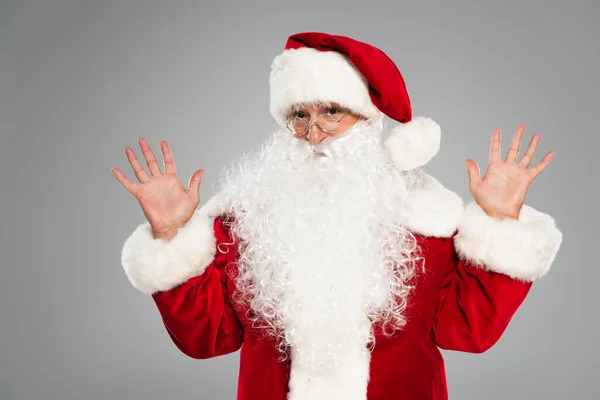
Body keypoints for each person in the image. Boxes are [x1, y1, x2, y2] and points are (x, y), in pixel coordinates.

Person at [112, 32, 563, 400]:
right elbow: (208, 339)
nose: (314, 133)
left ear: (367, 121)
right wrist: (171, 234)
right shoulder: (245, 222)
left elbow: (468, 332)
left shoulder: (424, 221)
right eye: (298, 115)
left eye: (332, 111)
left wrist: (500, 222)